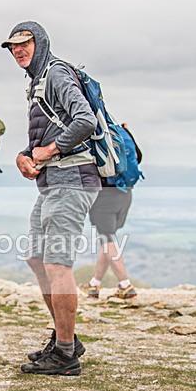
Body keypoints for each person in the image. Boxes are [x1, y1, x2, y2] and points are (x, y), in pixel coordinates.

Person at [2, 21, 99, 376]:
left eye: (24, 43)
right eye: (13, 47)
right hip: (52, 181)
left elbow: (84, 121)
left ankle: (65, 354)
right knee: (37, 258)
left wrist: (48, 151)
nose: (18, 51)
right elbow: (45, 134)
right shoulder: (37, 81)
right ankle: (65, 337)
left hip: (72, 178)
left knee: (57, 264)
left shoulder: (56, 73)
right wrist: (26, 156)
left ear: (39, 42)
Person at [81, 123, 140, 300]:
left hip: (105, 195)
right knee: (107, 239)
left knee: (107, 240)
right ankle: (94, 284)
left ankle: (125, 285)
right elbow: (139, 156)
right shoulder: (122, 131)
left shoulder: (95, 134)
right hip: (125, 193)